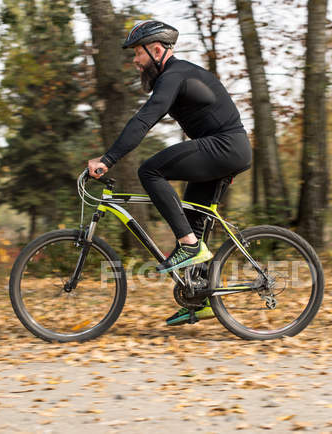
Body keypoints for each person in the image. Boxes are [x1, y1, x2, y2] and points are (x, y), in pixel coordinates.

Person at [87, 20, 252, 325]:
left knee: (150, 170)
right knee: (193, 219)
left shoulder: (174, 76)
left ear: (157, 50)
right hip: (223, 148)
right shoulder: (176, 75)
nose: (135, 61)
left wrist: (107, 160)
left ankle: (188, 245)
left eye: (138, 53)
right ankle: (201, 299)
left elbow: (143, 121)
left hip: (225, 146)